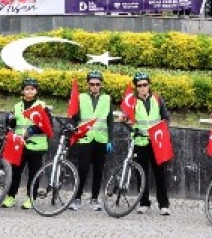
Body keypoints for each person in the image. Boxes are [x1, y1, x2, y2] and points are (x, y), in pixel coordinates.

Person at [121, 72, 172, 215]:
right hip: (140, 141)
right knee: (141, 173)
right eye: (139, 85)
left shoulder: (157, 98)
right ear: (136, 87)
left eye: (145, 84)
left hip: (156, 142)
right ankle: (144, 203)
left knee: (160, 173)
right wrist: (123, 118)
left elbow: (166, 118)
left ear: (149, 85)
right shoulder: (132, 101)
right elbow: (126, 117)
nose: (143, 87)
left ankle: (164, 204)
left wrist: (162, 128)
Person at [4, 77, 53, 209]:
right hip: (19, 144)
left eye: (32, 89)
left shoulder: (42, 106)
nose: (30, 91)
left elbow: (48, 125)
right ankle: (11, 196)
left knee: (34, 173)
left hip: (36, 144)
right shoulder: (17, 106)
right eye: (27, 89)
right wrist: (9, 120)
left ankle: (31, 198)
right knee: (15, 172)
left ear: (36, 91)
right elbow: (13, 125)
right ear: (22, 91)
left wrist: (32, 130)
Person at [70, 71, 113, 211]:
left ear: (101, 85)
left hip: (101, 139)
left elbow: (110, 121)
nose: (95, 86)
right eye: (92, 84)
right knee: (82, 169)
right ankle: (77, 197)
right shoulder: (81, 97)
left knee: (98, 170)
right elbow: (75, 117)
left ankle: (94, 198)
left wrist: (110, 139)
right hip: (85, 138)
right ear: (88, 84)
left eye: (97, 84)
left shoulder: (107, 99)